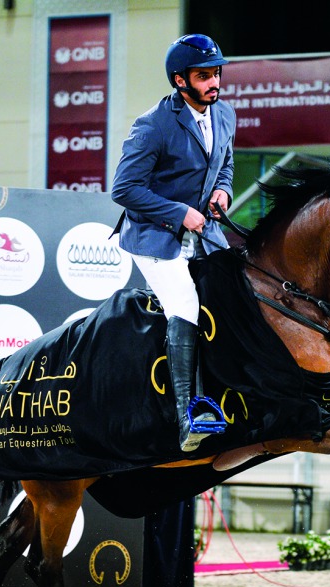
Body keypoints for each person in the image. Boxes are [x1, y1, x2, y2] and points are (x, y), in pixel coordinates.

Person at [111, 33, 235, 454]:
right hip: (153, 236)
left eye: (216, 73)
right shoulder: (153, 125)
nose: (214, 82)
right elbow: (124, 189)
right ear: (180, 81)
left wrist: (223, 193)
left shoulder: (225, 116)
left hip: (204, 232)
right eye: (204, 76)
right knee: (184, 303)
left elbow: (225, 165)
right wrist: (180, 212)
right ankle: (189, 415)